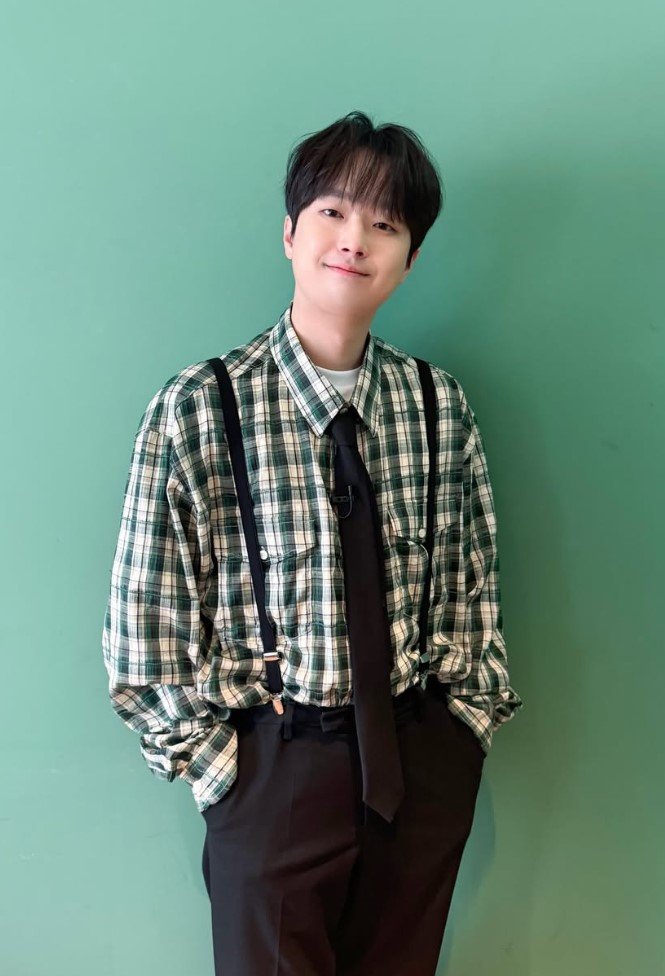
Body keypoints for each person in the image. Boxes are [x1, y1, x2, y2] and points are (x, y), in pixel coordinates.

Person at [102, 109, 523, 976]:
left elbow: (471, 583)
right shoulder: (199, 407)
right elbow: (144, 626)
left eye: (385, 223)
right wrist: (221, 771)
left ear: (410, 258)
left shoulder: (437, 405)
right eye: (332, 211)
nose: (354, 239)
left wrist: (462, 731)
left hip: (418, 763)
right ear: (290, 232)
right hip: (273, 768)